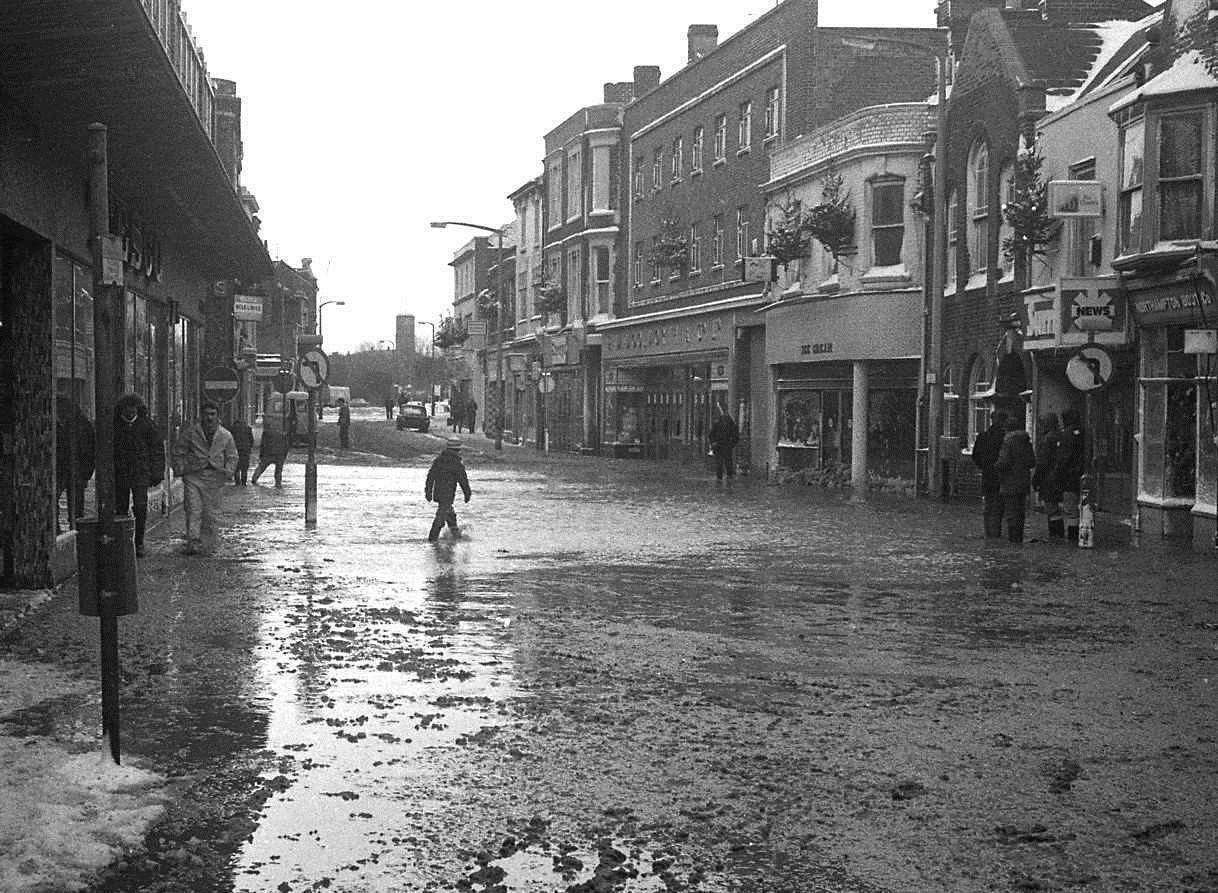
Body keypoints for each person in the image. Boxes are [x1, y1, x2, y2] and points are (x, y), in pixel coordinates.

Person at [171, 401, 237, 554]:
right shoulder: (191, 433)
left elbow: (232, 456)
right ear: (201, 415)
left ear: (217, 416)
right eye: (206, 414)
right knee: (193, 509)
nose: (209, 417)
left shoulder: (225, 435)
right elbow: (178, 451)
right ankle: (193, 541)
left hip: (215, 478)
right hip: (194, 476)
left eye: (212, 414)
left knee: (211, 512)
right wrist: (181, 468)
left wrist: (228, 471)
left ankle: (208, 543)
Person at [113, 393, 164, 557]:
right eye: (127, 408)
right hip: (120, 473)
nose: (130, 411)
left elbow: (157, 450)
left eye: (133, 408)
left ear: (138, 409)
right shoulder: (115, 426)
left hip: (140, 473)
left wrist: (156, 473)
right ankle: (123, 542)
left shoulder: (147, 426)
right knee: (120, 507)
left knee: (140, 506)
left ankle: (139, 542)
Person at [55, 398, 95, 532]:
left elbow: (90, 451)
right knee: (55, 500)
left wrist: (86, 473)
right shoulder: (55, 424)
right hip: (60, 469)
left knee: (77, 505)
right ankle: (58, 530)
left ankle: (77, 531)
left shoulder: (82, 425)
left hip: (75, 470)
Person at [994, 418, 1037, 543]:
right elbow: (1032, 461)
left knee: (1011, 512)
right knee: (1020, 511)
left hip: (1009, 481)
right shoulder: (1026, 442)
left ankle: (1014, 540)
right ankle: (1019, 536)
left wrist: (996, 466)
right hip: (1023, 481)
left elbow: (1004, 461)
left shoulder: (1008, 442)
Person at [424, 435, 471, 542]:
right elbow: (463, 480)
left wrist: (428, 491)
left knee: (450, 515)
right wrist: (467, 494)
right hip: (448, 495)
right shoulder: (456, 463)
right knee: (440, 519)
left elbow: (430, 477)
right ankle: (432, 540)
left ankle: (454, 537)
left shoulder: (439, 460)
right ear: (457, 450)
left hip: (439, 493)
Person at [971, 410, 1008, 539]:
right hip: (1002, 476)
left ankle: (989, 534)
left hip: (988, 475)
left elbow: (975, 456)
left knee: (989, 505)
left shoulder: (983, 436)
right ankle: (996, 533)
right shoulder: (1005, 437)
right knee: (999, 506)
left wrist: (984, 467)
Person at [1053, 408, 1087, 542]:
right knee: (1084, 506)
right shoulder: (1084, 432)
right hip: (1083, 475)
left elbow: (1063, 459)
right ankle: (1082, 535)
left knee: (1071, 508)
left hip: (1069, 477)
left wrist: (1057, 475)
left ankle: (1073, 537)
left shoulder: (1066, 434)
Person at [1032, 413, 1063, 540]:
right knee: (1056, 508)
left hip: (1049, 479)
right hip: (1060, 476)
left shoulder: (1047, 439)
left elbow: (1042, 462)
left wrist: (1036, 479)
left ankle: (1055, 535)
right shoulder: (1061, 436)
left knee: (1051, 507)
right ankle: (1059, 535)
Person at [251, 423, 289, 487]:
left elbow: (263, 444)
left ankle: (254, 480)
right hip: (280, 455)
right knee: (278, 471)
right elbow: (286, 445)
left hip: (268, 454)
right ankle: (278, 484)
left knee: (261, 467)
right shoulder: (283, 434)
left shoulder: (266, 433)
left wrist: (261, 455)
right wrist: (284, 455)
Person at [708, 408, 740, 482]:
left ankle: (721, 477)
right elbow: (736, 437)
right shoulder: (730, 424)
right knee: (726, 462)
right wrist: (731, 444)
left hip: (721, 446)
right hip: (723, 446)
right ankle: (727, 476)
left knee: (722, 462)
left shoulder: (719, 423)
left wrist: (713, 442)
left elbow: (711, 435)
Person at [229, 415, 254, 486]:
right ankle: (244, 483)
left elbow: (230, 440)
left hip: (236, 450)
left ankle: (237, 483)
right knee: (244, 468)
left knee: (236, 468)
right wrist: (249, 448)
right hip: (245, 451)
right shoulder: (248, 428)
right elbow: (251, 440)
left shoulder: (233, 429)